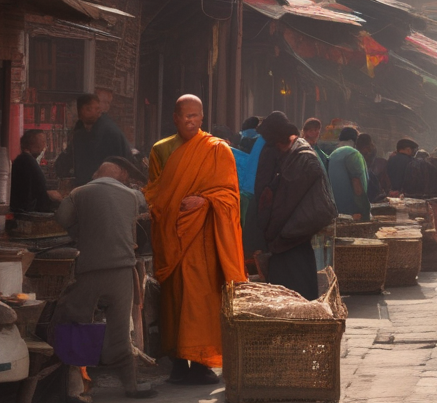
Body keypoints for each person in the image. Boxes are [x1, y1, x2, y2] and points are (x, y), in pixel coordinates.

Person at [145, 94, 245, 386]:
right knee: (175, 299)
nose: (190, 121)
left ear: (203, 118)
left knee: (202, 300)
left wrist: (205, 200)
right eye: (185, 116)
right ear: (175, 118)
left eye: (196, 116)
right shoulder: (161, 149)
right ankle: (177, 362)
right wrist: (171, 207)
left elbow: (229, 194)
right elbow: (153, 193)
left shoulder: (216, 149)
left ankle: (202, 363)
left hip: (205, 239)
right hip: (174, 235)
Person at [54, 159, 155, 401]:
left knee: (75, 321)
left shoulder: (79, 192)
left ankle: (75, 388)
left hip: (90, 269)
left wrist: (81, 229)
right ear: (120, 175)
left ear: (96, 174)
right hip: (122, 270)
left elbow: (61, 219)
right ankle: (130, 385)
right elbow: (144, 214)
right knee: (120, 330)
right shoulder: (133, 196)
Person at [254, 111, 337, 300]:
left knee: (293, 286)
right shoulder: (291, 152)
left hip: (291, 232)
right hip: (291, 233)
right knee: (294, 284)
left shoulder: (298, 156)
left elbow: (284, 200)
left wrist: (270, 231)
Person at [55, 93, 133, 188]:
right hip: (96, 186)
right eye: (91, 108)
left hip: (103, 187)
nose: (97, 111)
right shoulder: (84, 130)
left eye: (97, 108)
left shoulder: (105, 131)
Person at [10, 130, 61, 215]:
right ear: (32, 144)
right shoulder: (27, 161)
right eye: (42, 142)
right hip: (27, 212)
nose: (44, 146)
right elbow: (40, 190)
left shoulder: (24, 160)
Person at [327, 127, 371, 222]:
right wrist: (365, 211)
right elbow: (357, 185)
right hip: (353, 213)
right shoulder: (353, 154)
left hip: (336, 211)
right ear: (355, 140)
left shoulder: (333, 154)